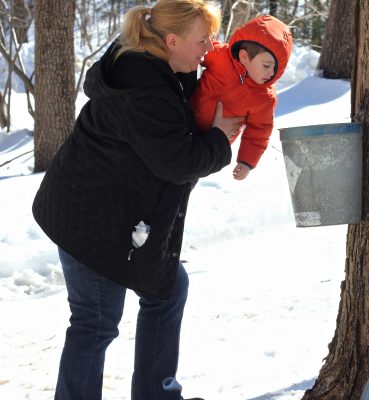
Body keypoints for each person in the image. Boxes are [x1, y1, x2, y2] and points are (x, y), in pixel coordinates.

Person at [31, 1, 243, 399]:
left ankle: (156, 393)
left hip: (121, 216)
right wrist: (218, 138)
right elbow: (178, 161)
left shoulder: (166, 70)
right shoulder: (143, 89)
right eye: (202, 40)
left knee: (167, 288)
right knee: (96, 321)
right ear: (172, 40)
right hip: (87, 222)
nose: (208, 48)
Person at [189, 15, 293, 180]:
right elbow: (198, 51)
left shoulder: (264, 98)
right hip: (185, 127)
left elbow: (259, 130)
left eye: (276, 68)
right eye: (266, 66)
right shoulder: (221, 57)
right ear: (244, 56)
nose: (271, 73)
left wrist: (247, 161)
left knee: (186, 182)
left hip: (213, 146)